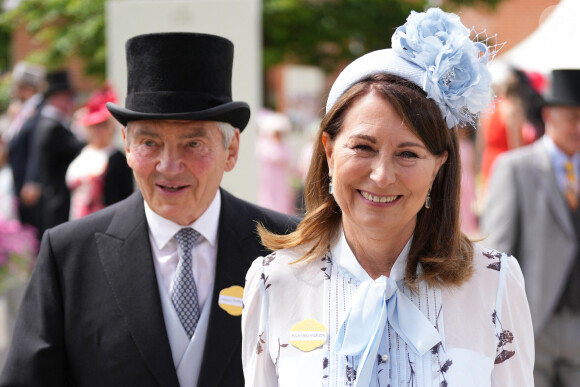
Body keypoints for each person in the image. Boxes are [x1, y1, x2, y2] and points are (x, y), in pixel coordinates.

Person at [242, 8, 534, 386]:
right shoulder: (273, 284)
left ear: (438, 167)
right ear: (329, 152)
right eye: (363, 147)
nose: (382, 176)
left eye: (408, 154)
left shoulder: (494, 283)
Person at [0, 32, 298, 386]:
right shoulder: (69, 256)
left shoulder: (287, 247)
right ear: (126, 145)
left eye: (193, 143)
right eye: (149, 143)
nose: (169, 165)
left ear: (231, 149)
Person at [481, 69, 580, 387]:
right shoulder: (515, 168)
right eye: (573, 117)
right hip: (534, 322)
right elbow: (495, 254)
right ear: (549, 114)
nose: (579, 127)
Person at [24, 70, 84, 236]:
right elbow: (78, 149)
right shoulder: (53, 127)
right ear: (59, 99)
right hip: (58, 201)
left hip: (53, 198)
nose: (72, 103)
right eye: (69, 98)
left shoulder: (48, 124)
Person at [66, 84, 133, 219]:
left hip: (105, 222)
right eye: (93, 126)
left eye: (101, 125)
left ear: (110, 127)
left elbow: (125, 197)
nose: (97, 130)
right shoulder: (81, 152)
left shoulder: (118, 158)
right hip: (77, 221)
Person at [5, 61, 46, 230]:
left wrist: (33, 180)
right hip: (18, 181)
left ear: (28, 87)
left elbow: (37, 148)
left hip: (29, 186)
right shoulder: (23, 111)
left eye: (18, 86)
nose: (15, 90)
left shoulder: (39, 111)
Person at [255, 109, 296, 215]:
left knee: (282, 199)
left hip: (281, 180)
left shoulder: (284, 145)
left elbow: (288, 159)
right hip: (269, 179)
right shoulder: (264, 144)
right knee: (269, 197)